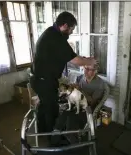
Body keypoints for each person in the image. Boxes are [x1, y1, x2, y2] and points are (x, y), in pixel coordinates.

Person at [30, 11, 97, 146]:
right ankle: (53, 140)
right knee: (51, 110)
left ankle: (42, 131)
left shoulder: (50, 32)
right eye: (71, 29)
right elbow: (75, 60)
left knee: (43, 107)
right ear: (65, 26)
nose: (71, 32)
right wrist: (89, 62)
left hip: (39, 79)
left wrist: (84, 59)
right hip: (45, 81)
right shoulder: (56, 38)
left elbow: (72, 56)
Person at [54, 64, 105, 143]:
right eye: (85, 68)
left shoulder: (100, 84)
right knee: (64, 114)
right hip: (76, 103)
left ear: (95, 71)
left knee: (71, 118)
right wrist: (70, 88)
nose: (85, 71)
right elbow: (73, 91)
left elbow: (92, 101)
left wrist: (80, 90)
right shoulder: (80, 77)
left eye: (89, 69)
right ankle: (57, 135)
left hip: (88, 108)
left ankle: (72, 140)